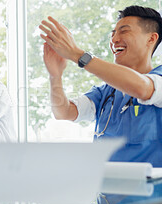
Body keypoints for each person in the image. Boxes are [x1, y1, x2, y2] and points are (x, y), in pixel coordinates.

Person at [39, 6, 162, 166]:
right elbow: (64, 112)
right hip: (104, 188)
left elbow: (142, 88)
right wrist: (55, 76)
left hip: (151, 190)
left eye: (123, 31)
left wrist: (77, 55)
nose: (114, 40)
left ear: (151, 39)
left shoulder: (158, 80)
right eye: (113, 34)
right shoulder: (105, 92)